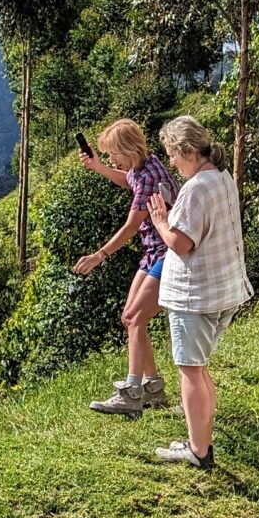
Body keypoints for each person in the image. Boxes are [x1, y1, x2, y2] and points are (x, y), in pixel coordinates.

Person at [145, 115, 250, 470]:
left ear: (187, 151)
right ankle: (199, 440)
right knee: (200, 370)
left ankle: (199, 452)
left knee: (189, 371)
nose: (171, 163)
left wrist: (161, 220)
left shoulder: (195, 188)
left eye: (172, 155)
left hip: (196, 297)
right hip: (221, 291)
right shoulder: (221, 178)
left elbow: (181, 243)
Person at [74, 119, 179, 417]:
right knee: (130, 318)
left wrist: (99, 255)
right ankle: (153, 389)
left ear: (127, 149)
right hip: (154, 253)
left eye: (112, 155)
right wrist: (98, 168)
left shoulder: (148, 176)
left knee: (134, 318)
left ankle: (133, 392)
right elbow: (128, 180)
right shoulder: (145, 166)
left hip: (166, 253)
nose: (111, 160)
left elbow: (132, 226)